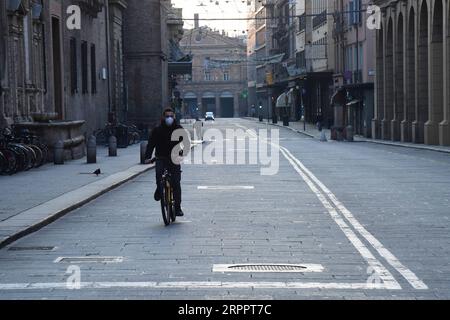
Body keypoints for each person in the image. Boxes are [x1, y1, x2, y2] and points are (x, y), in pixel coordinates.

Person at [145, 108, 185, 217]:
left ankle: (177, 208)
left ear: (174, 117)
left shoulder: (178, 129)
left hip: (174, 159)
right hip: (161, 157)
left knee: (176, 183)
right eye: (167, 116)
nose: (169, 118)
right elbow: (151, 144)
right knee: (158, 175)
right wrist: (147, 157)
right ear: (163, 117)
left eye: (171, 116)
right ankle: (159, 189)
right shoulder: (157, 130)